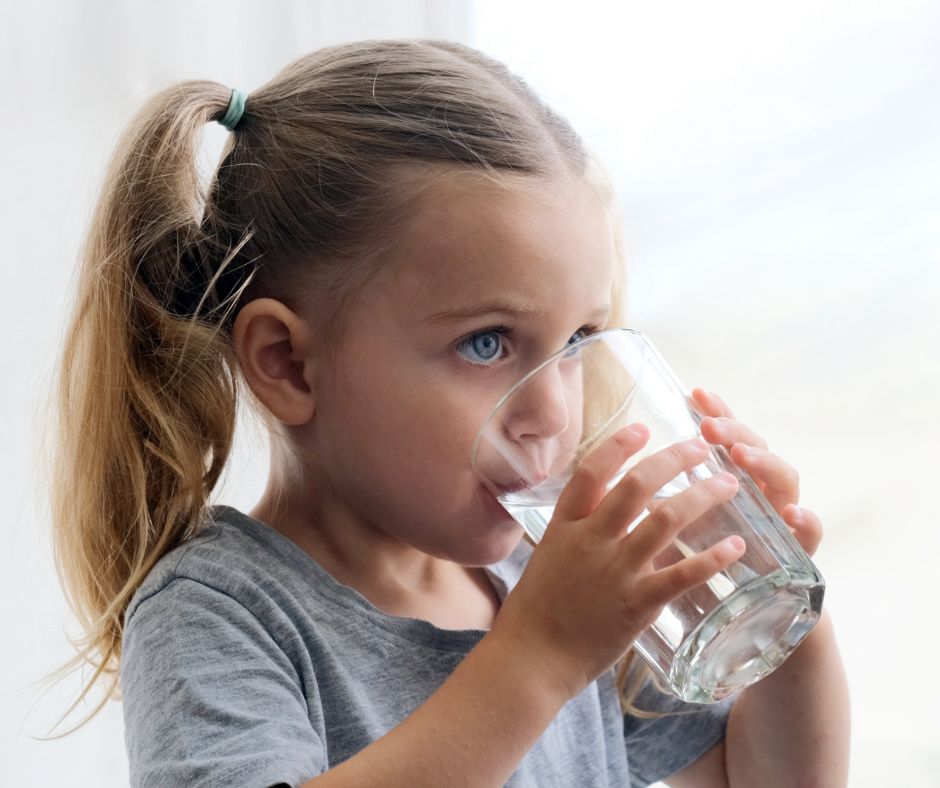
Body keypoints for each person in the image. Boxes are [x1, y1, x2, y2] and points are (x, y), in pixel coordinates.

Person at [45, 39, 850, 787]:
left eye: (577, 339)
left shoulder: (548, 577)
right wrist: (538, 658)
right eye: (488, 344)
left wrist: (785, 623)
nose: (552, 412)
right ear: (288, 363)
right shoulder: (219, 612)